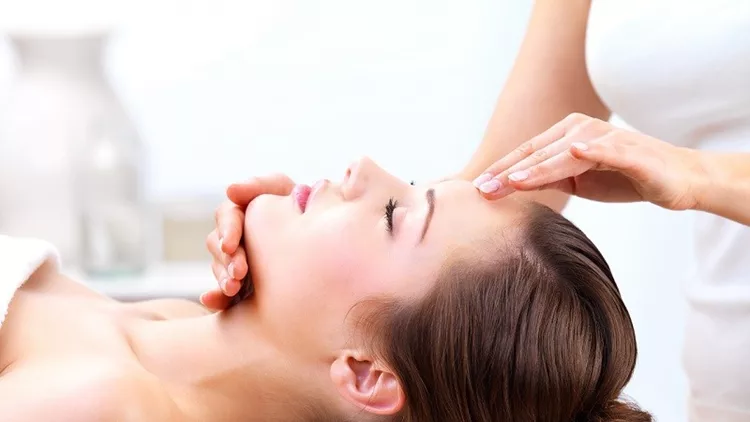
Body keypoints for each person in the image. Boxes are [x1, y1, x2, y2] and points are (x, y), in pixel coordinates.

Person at [208, 2, 750, 420]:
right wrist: (291, 245)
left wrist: (703, 176)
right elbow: (490, 196)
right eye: (408, 194)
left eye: (397, 210)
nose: (361, 163)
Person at [0, 157, 650, 421]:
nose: (363, 168)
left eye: (396, 215)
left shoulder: (102, 402)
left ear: (366, 375)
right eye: (413, 183)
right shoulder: (161, 329)